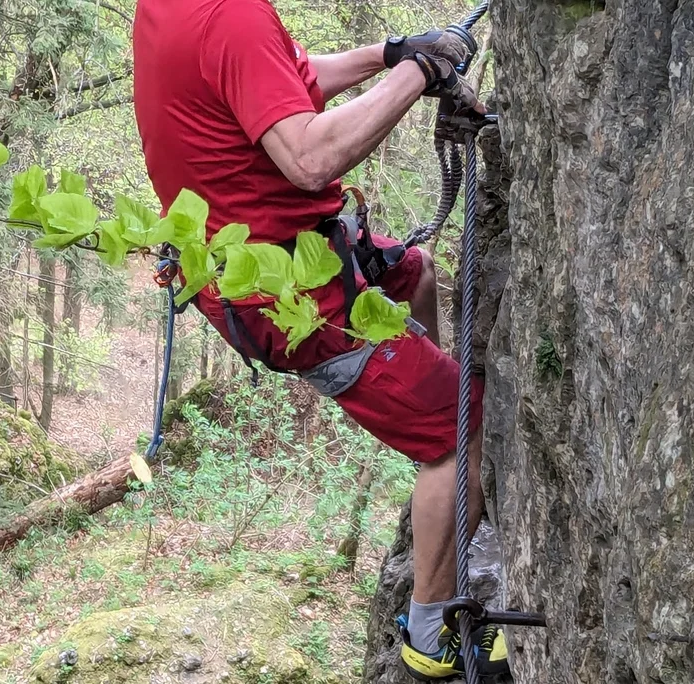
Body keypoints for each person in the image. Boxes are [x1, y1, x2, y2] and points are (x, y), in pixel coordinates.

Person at [132, 0, 502, 679]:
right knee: (465, 427)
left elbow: (287, 80)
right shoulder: (230, 15)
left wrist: (390, 54)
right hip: (288, 297)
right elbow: (308, 158)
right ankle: (431, 633)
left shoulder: (172, 9)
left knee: (416, 272)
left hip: (284, 261)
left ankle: (423, 420)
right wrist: (420, 72)